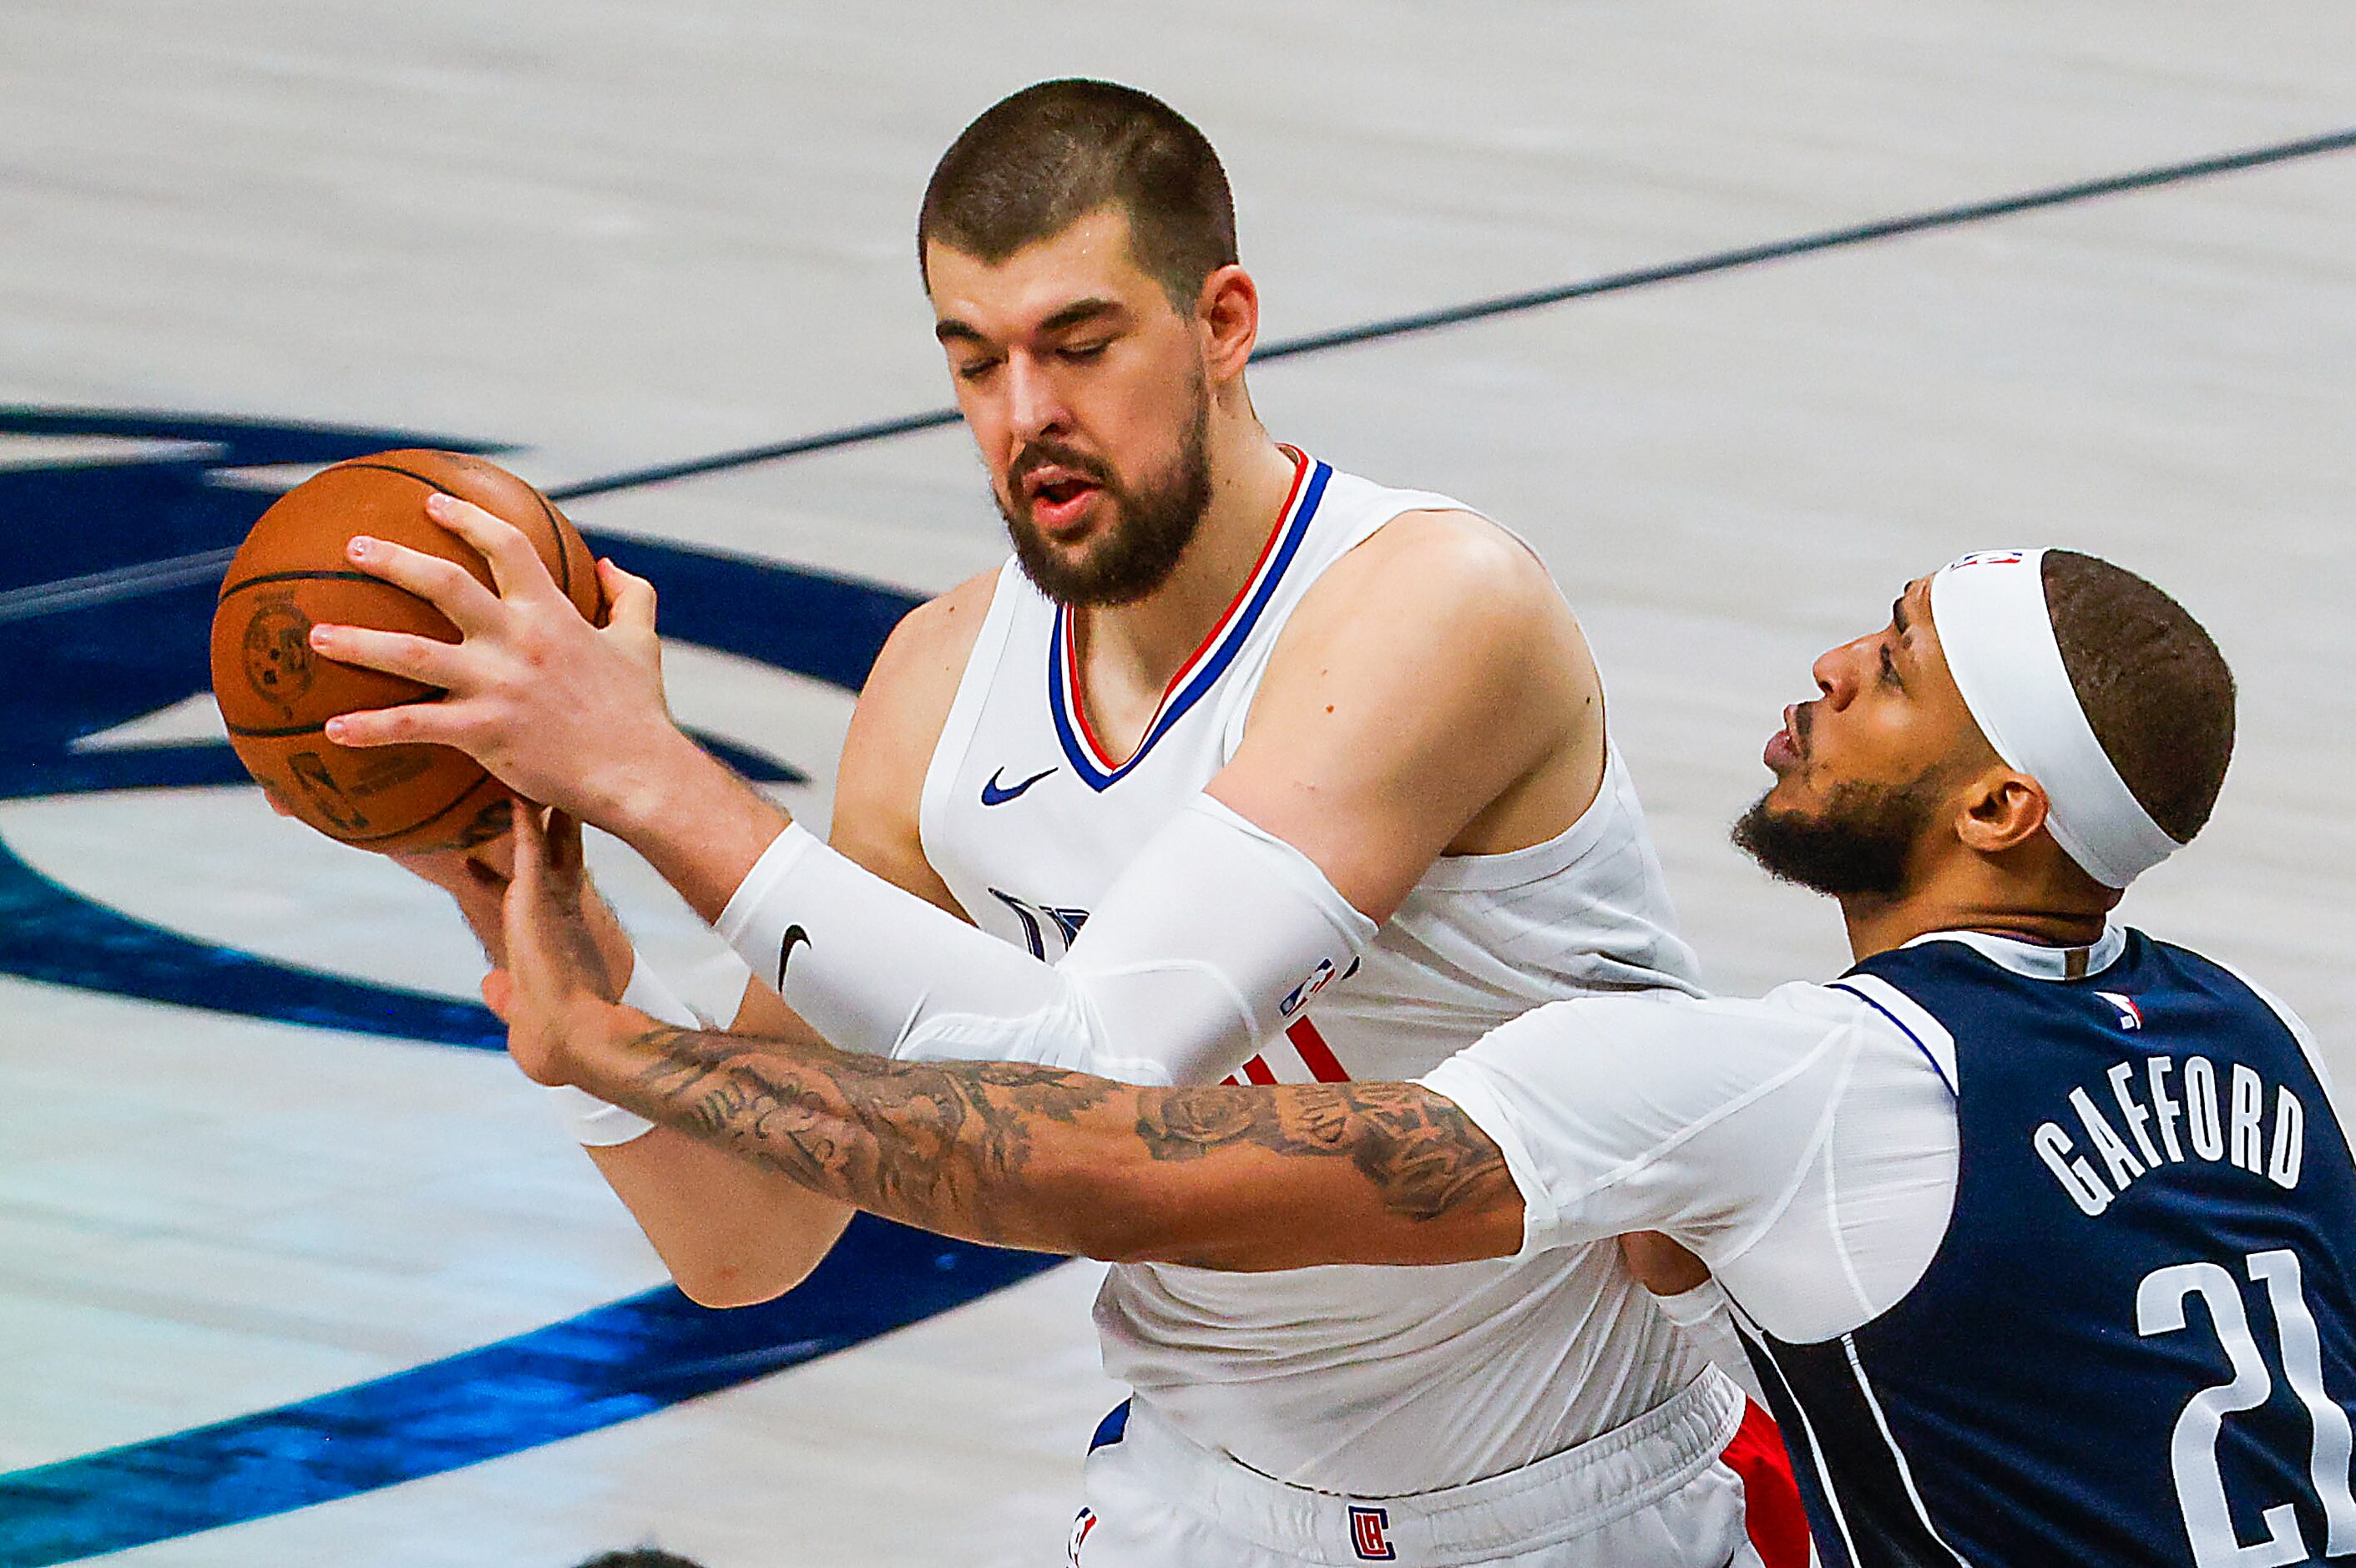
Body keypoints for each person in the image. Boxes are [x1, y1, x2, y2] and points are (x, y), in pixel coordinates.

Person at [314, 80, 1797, 1567]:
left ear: (1221, 322)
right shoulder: (939, 687)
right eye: (975, 364)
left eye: (1078, 347)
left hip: (1575, 1503)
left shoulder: (1432, 605)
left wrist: (648, 775)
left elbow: (1112, 1072)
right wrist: (534, 913)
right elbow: (743, 1240)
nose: (1026, 418)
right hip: (1194, 1502)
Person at [490, 545, 2356, 1568]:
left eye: (1883, 674)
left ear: (2001, 802)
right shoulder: (2249, 1046)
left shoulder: (1785, 1087)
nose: (1818, 674)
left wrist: (619, 1040)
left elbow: (1098, 1159)